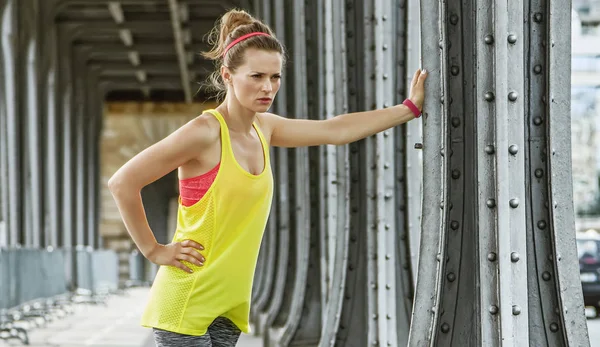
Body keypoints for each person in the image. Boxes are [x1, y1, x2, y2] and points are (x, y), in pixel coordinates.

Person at [108, 8, 428, 347]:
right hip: (188, 300)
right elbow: (123, 182)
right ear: (228, 76)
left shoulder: (265, 128)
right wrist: (154, 250)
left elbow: (334, 130)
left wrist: (407, 109)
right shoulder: (204, 133)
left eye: (275, 77)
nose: (268, 87)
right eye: (256, 76)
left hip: (228, 304)